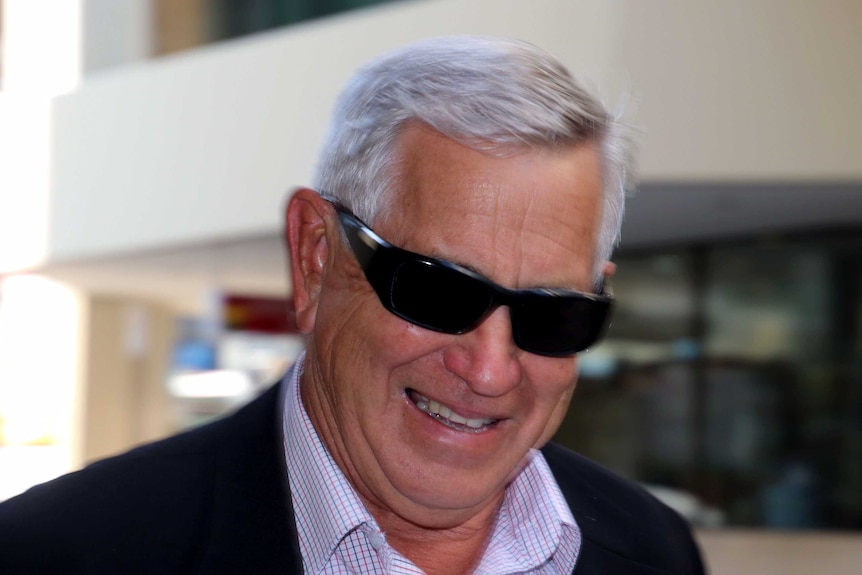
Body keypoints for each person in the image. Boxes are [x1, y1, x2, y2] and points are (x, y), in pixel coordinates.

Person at [0, 36, 705, 574]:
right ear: (315, 256)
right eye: (438, 289)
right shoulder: (57, 553)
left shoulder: (654, 549)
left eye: (553, 313)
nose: (490, 370)